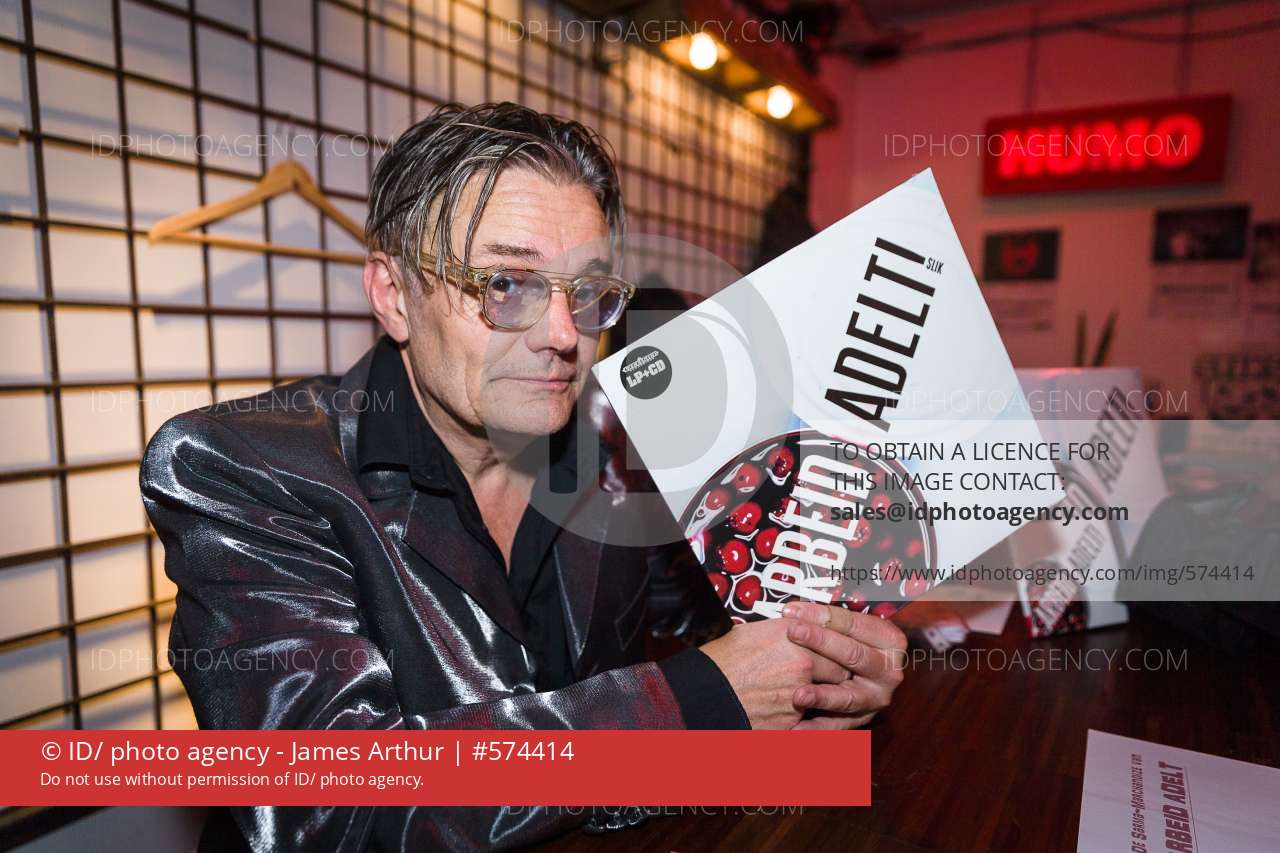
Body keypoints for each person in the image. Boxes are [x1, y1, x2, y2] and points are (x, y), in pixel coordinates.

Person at [141, 102, 907, 851]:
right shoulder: (242, 466)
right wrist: (701, 699)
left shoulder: (611, 460)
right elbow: (329, 808)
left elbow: (701, 635)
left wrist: (819, 673)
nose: (564, 335)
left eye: (588, 292)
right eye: (506, 284)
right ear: (393, 296)